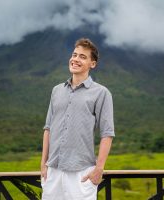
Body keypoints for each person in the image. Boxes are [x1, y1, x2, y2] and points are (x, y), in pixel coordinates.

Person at [41, 38, 115, 200]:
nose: (75, 59)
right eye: (74, 55)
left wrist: (99, 169)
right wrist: (43, 165)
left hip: (82, 173)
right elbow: (48, 128)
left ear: (92, 64)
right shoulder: (56, 90)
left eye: (82, 56)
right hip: (53, 171)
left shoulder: (101, 93)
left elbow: (107, 134)